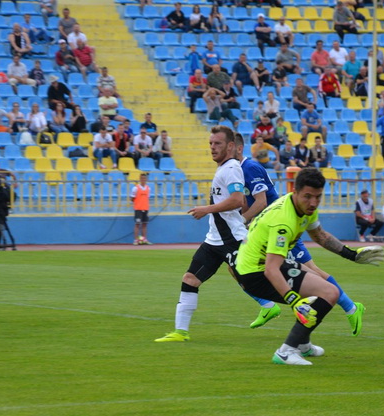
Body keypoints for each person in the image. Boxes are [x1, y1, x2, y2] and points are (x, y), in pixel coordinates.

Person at [234, 167, 384, 365]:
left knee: (321, 287)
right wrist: (294, 300)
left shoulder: (303, 206)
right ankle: (286, 351)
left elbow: (320, 236)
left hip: (260, 265)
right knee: (329, 293)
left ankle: (303, 345)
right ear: (295, 191)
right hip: (255, 273)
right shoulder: (284, 222)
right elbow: (271, 269)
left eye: (318, 197)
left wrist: (352, 255)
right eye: (308, 196)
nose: (313, 203)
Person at [235, 134, 369, 335]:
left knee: (312, 274)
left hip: (282, 227)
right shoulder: (233, 171)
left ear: (235, 148)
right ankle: (289, 318)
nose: (214, 151)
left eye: (220, 145)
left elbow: (262, 201)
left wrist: (244, 220)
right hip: (274, 226)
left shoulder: (250, 168)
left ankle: (345, 308)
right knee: (307, 276)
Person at [154, 126, 247, 343]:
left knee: (260, 284)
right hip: (214, 240)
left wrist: (206, 209)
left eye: (218, 144)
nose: (213, 148)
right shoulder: (223, 168)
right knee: (190, 279)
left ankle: (303, 310)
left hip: (233, 239)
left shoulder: (232, 168)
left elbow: (237, 200)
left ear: (231, 146)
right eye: (211, 144)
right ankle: (181, 331)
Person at [131, 173, 152, 245]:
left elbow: (147, 197)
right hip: (138, 209)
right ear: (140, 179)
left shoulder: (148, 188)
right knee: (137, 224)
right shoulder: (135, 188)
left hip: (145, 208)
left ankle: (144, 239)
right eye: (142, 178)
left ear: (146, 179)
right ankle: (136, 240)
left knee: (144, 224)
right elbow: (132, 198)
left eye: (144, 178)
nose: (143, 180)